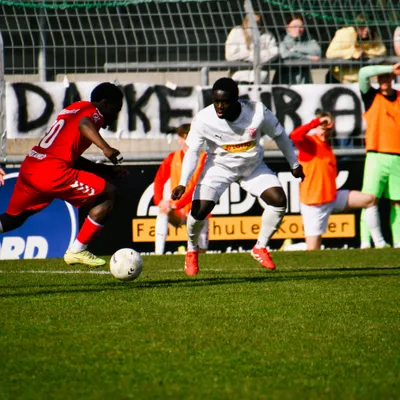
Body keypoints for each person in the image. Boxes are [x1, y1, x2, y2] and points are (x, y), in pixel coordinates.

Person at [170, 77, 304, 276]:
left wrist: (294, 163)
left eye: (224, 102)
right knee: (199, 211)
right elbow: (192, 152)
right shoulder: (204, 119)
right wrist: (183, 182)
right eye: (216, 101)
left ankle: (260, 247)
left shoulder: (257, 112)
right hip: (219, 168)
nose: (219, 106)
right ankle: (191, 249)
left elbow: (280, 135)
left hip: (252, 167)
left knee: (279, 201)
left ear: (236, 100)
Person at [0, 82, 127, 267]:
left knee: (13, 219)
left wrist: (104, 170)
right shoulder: (94, 113)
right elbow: (84, 124)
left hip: (31, 166)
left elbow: (70, 155)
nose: (115, 116)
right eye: (116, 110)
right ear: (105, 103)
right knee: (110, 194)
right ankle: (78, 250)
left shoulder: (74, 108)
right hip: (52, 172)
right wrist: (105, 148)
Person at [289, 111, 387, 250]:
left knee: (370, 200)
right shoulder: (310, 144)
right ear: (316, 128)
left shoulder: (327, 146)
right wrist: (316, 122)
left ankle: (380, 244)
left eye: (329, 129)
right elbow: (295, 136)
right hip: (314, 205)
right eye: (322, 128)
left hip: (332, 198)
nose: (325, 132)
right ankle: (291, 248)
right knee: (313, 250)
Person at [358, 62, 400, 249]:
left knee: (397, 202)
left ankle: (398, 241)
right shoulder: (371, 96)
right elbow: (363, 73)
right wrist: (390, 68)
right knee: (369, 199)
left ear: (392, 79)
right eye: (381, 76)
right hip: (376, 155)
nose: (384, 80)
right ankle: (366, 242)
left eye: (388, 77)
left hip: (397, 157)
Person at [153, 123, 208, 255]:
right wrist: (159, 201)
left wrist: (178, 204)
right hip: (178, 210)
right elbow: (159, 180)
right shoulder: (172, 157)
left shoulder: (204, 158)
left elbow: (196, 187)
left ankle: (199, 250)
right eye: (184, 137)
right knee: (163, 210)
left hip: (198, 208)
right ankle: (158, 254)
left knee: (201, 252)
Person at [325, 14, 387, 83]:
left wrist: (366, 53)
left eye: (369, 27)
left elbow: (382, 51)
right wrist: (353, 53)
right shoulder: (344, 34)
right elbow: (330, 53)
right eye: (363, 27)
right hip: (338, 77)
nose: (367, 30)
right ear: (356, 27)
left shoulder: (373, 35)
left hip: (360, 80)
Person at [225, 12, 278, 84]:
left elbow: (274, 52)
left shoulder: (267, 35)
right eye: (252, 21)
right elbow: (230, 55)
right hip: (239, 78)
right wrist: (255, 55)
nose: (255, 24)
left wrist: (245, 56)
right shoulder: (237, 31)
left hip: (260, 79)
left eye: (258, 22)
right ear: (247, 21)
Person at [272, 14, 321, 85]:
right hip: (283, 81)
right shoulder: (281, 39)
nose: (298, 29)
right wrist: (307, 57)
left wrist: (295, 49)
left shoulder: (308, 39)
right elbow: (284, 55)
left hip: (304, 81)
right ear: (287, 27)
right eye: (294, 26)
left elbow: (317, 51)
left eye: (301, 27)